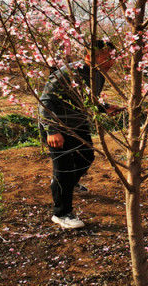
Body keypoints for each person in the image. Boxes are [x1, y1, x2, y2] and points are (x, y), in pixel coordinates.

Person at [39, 40, 123, 229]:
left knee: (86, 157)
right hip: (58, 126)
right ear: (88, 56)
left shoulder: (98, 74)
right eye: (107, 57)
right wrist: (52, 131)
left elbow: (87, 99)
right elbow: (45, 101)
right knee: (64, 169)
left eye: (113, 57)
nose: (112, 62)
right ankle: (61, 213)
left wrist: (105, 108)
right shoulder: (68, 73)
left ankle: (66, 183)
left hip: (78, 123)